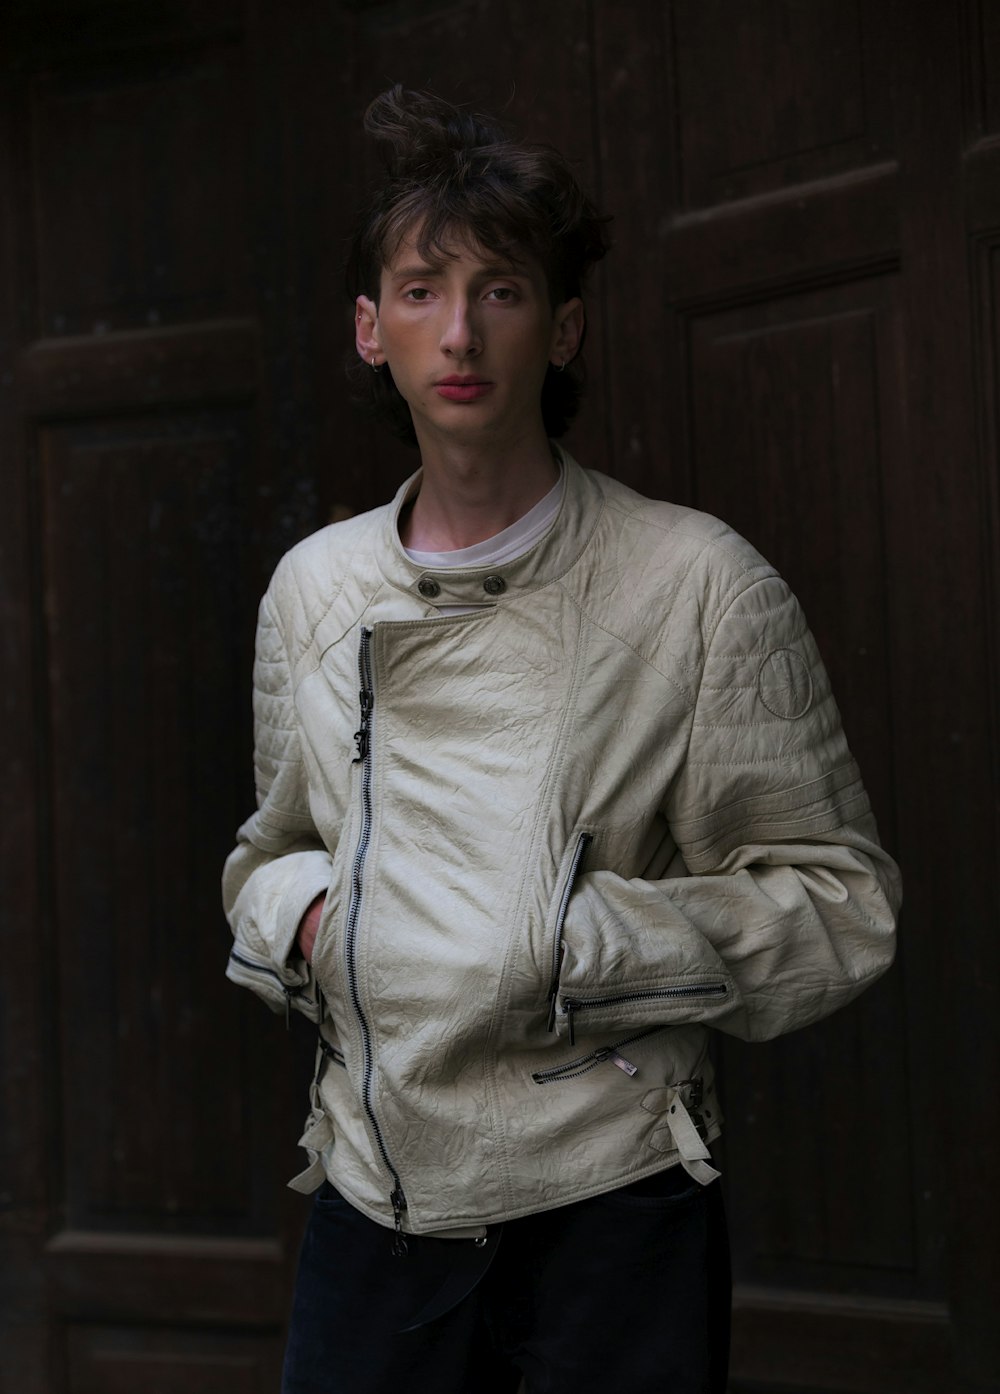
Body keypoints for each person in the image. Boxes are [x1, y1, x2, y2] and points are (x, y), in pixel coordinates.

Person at [222, 87, 900, 1394]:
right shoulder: (313, 588)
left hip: (612, 1208)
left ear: (565, 324)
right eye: (420, 290)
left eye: (503, 290)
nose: (460, 331)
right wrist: (312, 916)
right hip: (371, 1203)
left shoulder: (696, 582)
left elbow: (845, 904)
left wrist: (565, 944)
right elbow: (272, 850)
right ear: (370, 328)